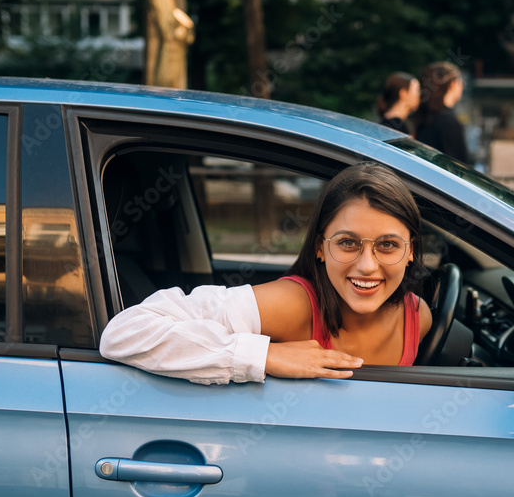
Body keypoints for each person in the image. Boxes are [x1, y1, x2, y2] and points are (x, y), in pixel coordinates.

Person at [99, 162, 433, 385]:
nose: (367, 265)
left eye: (388, 245)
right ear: (319, 246)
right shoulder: (293, 304)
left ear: (412, 250)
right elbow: (125, 334)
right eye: (347, 243)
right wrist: (264, 355)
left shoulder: (418, 316)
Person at [414, 62, 470, 165]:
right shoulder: (449, 123)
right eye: (461, 82)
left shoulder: (425, 117)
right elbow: (461, 168)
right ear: (453, 84)